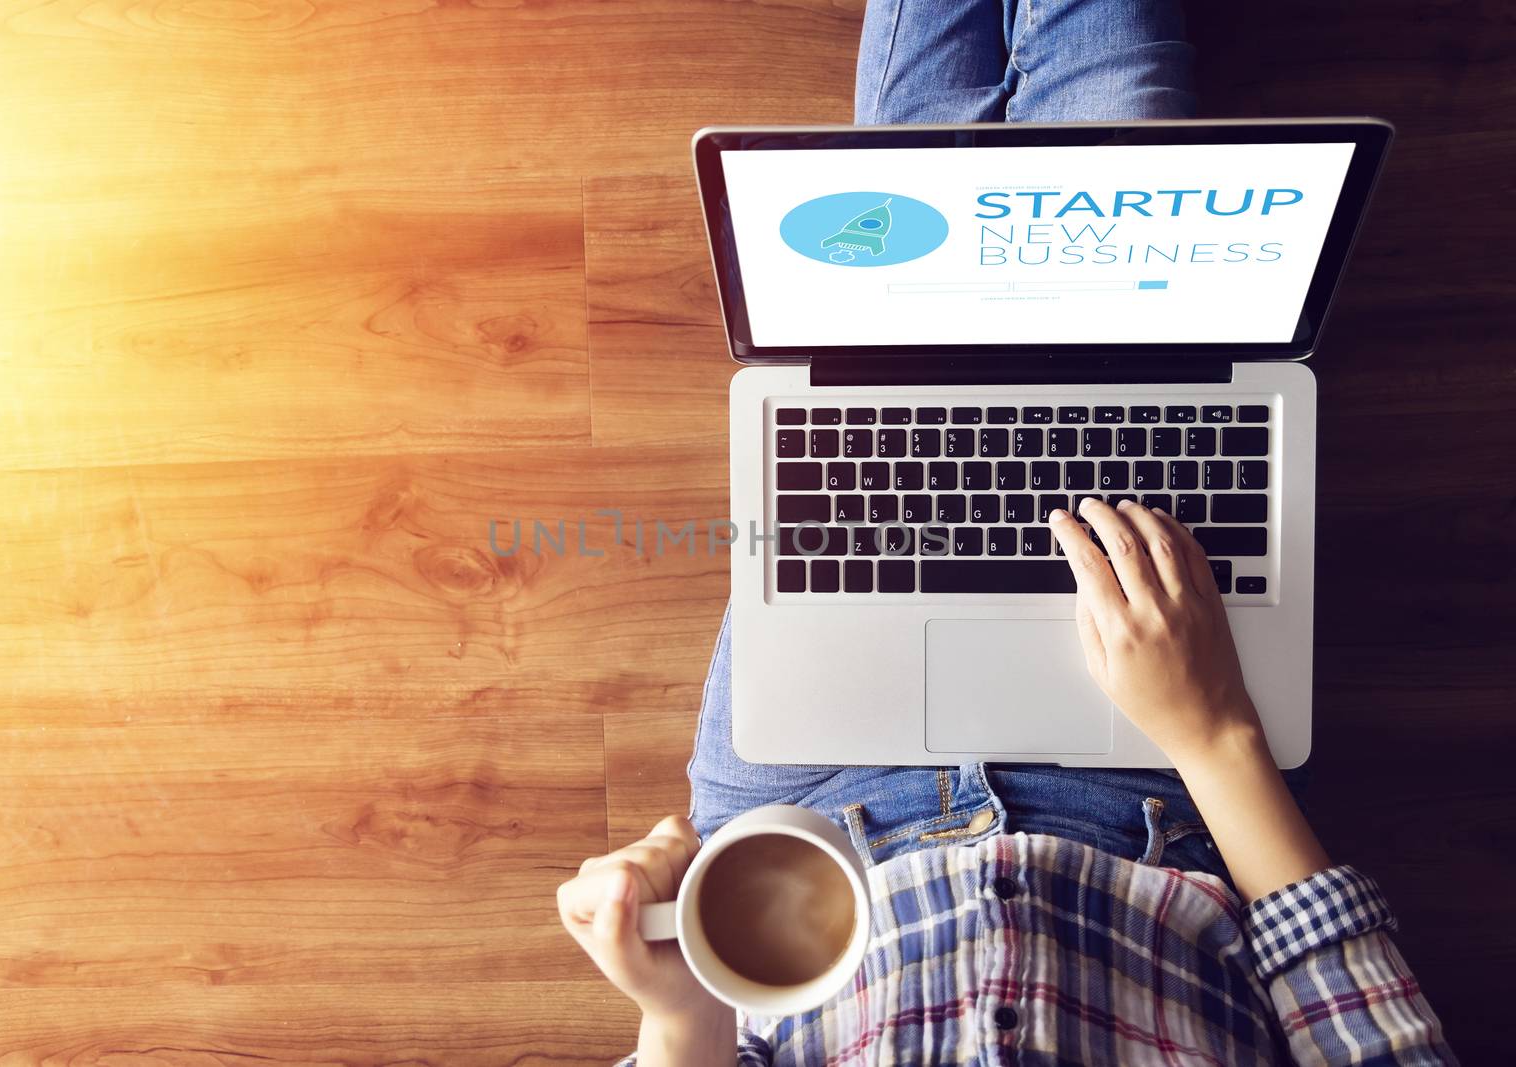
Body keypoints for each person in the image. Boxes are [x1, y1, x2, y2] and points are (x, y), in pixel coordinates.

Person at [559, 5, 1457, 1064]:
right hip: (1162, 790)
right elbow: (1343, 988)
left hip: (810, 828)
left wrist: (679, 1012)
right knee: (1118, 120)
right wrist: (1213, 732)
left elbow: (709, 1037)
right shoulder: (1195, 747)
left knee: (895, 270)